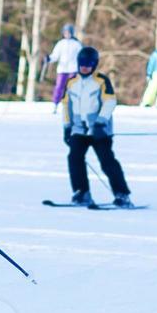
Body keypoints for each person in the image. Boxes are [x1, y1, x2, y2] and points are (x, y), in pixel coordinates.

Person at [61, 46, 134, 207]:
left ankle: (122, 194)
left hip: (99, 132)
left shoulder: (101, 81)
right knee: (74, 158)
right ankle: (81, 193)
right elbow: (66, 105)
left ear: (94, 65)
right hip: (79, 130)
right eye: (82, 63)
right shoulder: (71, 82)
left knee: (107, 162)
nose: (85, 66)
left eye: (88, 63)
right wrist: (67, 127)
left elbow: (110, 102)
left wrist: (101, 122)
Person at [47, 24, 83, 109]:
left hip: (73, 69)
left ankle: (72, 105)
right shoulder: (60, 44)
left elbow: (81, 55)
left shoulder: (76, 44)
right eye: (65, 33)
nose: (67, 34)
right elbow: (55, 56)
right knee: (59, 86)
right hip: (62, 69)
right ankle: (55, 104)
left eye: (68, 32)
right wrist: (49, 59)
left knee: (72, 87)